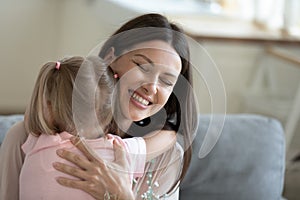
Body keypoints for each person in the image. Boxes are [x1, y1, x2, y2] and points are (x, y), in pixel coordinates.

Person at [0, 13, 198, 200]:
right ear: (110, 58)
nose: (151, 87)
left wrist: (120, 195)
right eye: (142, 67)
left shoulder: (167, 157)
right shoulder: (25, 137)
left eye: (166, 81)